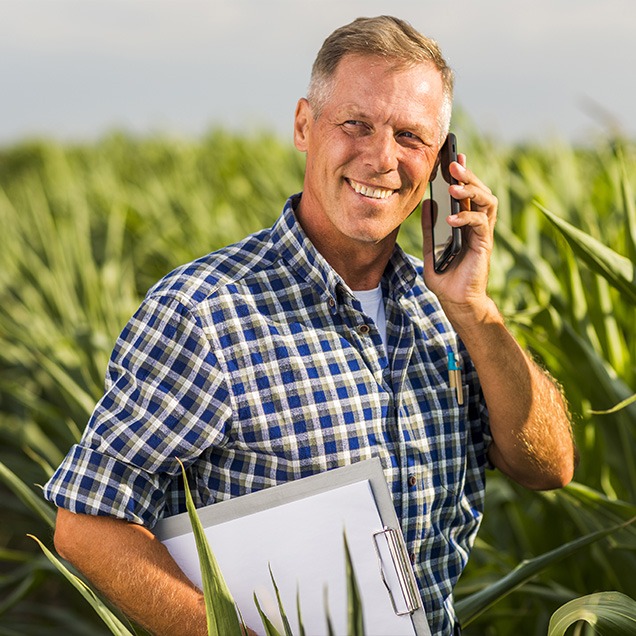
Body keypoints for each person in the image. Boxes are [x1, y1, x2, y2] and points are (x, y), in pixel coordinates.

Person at [44, 15, 576, 636]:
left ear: (442, 163)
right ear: (304, 125)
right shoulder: (206, 312)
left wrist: (476, 312)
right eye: (356, 124)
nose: (382, 158)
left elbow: (549, 467)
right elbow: (87, 523)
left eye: (411, 136)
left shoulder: (446, 313)